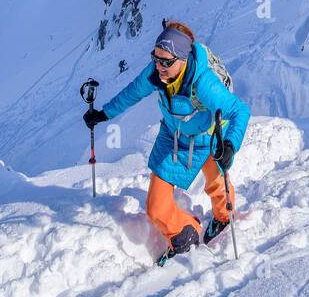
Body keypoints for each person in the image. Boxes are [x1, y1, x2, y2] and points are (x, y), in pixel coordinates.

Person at [83, 20, 251, 263]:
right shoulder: (155, 74)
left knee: (217, 184)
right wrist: (103, 114)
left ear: (182, 60)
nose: (159, 66)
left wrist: (230, 145)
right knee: (155, 208)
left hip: (209, 137)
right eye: (156, 58)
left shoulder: (202, 83)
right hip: (173, 138)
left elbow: (240, 111)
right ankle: (184, 234)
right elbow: (131, 93)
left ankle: (224, 218)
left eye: (166, 62)